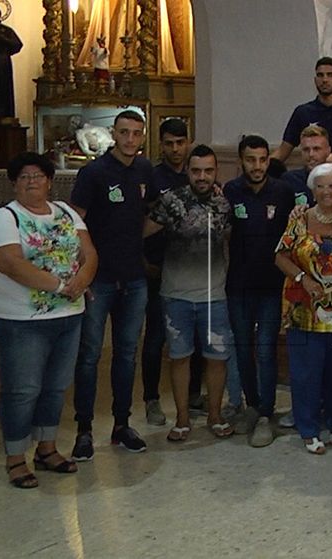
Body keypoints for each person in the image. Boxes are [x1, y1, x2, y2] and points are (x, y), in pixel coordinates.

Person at [0, 152, 96, 488]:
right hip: (22, 319)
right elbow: (9, 262)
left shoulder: (65, 212)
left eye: (38, 175)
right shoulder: (6, 217)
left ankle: (47, 449)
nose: (31, 181)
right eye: (24, 177)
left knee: (55, 387)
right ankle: (16, 458)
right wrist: (61, 286)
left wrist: (83, 280)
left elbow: (89, 253)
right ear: (14, 184)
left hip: (68, 315)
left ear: (49, 181)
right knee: (23, 390)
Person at [68, 109, 154, 459]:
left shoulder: (145, 169)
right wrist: (80, 273)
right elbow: (75, 224)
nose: (130, 139)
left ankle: (122, 425)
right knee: (89, 355)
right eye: (124, 132)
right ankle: (84, 430)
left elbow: (150, 213)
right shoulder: (94, 173)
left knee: (127, 355)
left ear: (143, 136)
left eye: (136, 133)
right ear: (114, 134)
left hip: (133, 278)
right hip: (99, 280)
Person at [142, 145, 236, 441]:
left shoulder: (224, 204)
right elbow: (141, 233)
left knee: (217, 358)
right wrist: (143, 265)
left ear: (216, 171)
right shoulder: (170, 201)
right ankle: (182, 419)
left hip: (214, 295)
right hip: (176, 295)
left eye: (208, 171)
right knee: (180, 357)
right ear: (188, 171)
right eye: (196, 171)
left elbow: (229, 241)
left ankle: (215, 415)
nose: (202, 176)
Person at [275, 163, 332, 454]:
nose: (326, 191)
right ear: (312, 191)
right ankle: (308, 429)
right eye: (320, 186)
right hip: (304, 308)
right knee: (306, 373)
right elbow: (281, 256)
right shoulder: (299, 220)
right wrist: (303, 278)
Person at [224, 135, 295, 447]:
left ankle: (267, 413)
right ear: (241, 161)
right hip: (238, 284)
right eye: (251, 160)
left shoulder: (283, 192)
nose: (257, 166)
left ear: (269, 160)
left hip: (271, 285)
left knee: (266, 350)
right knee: (242, 349)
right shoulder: (231, 191)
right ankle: (251, 406)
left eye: (262, 160)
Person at [141, 117, 194, 428]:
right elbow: (138, 223)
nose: (175, 149)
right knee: (156, 336)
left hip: (191, 270)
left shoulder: (196, 174)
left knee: (195, 334)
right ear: (160, 145)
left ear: (188, 142)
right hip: (158, 268)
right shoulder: (151, 176)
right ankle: (151, 399)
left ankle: (194, 396)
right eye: (169, 143)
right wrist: (142, 260)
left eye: (180, 142)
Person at [275, 57, 332, 168]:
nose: (324, 80)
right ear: (315, 80)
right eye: (320, 75)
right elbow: (283, 151)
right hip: (313, 176)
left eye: (330, 75)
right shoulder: (303, 112)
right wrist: (263, 166)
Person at [280, 124, 332, 204]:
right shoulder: (289, 180)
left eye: (316, 149)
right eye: (306, 149)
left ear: (328, 151)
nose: (311, 154)